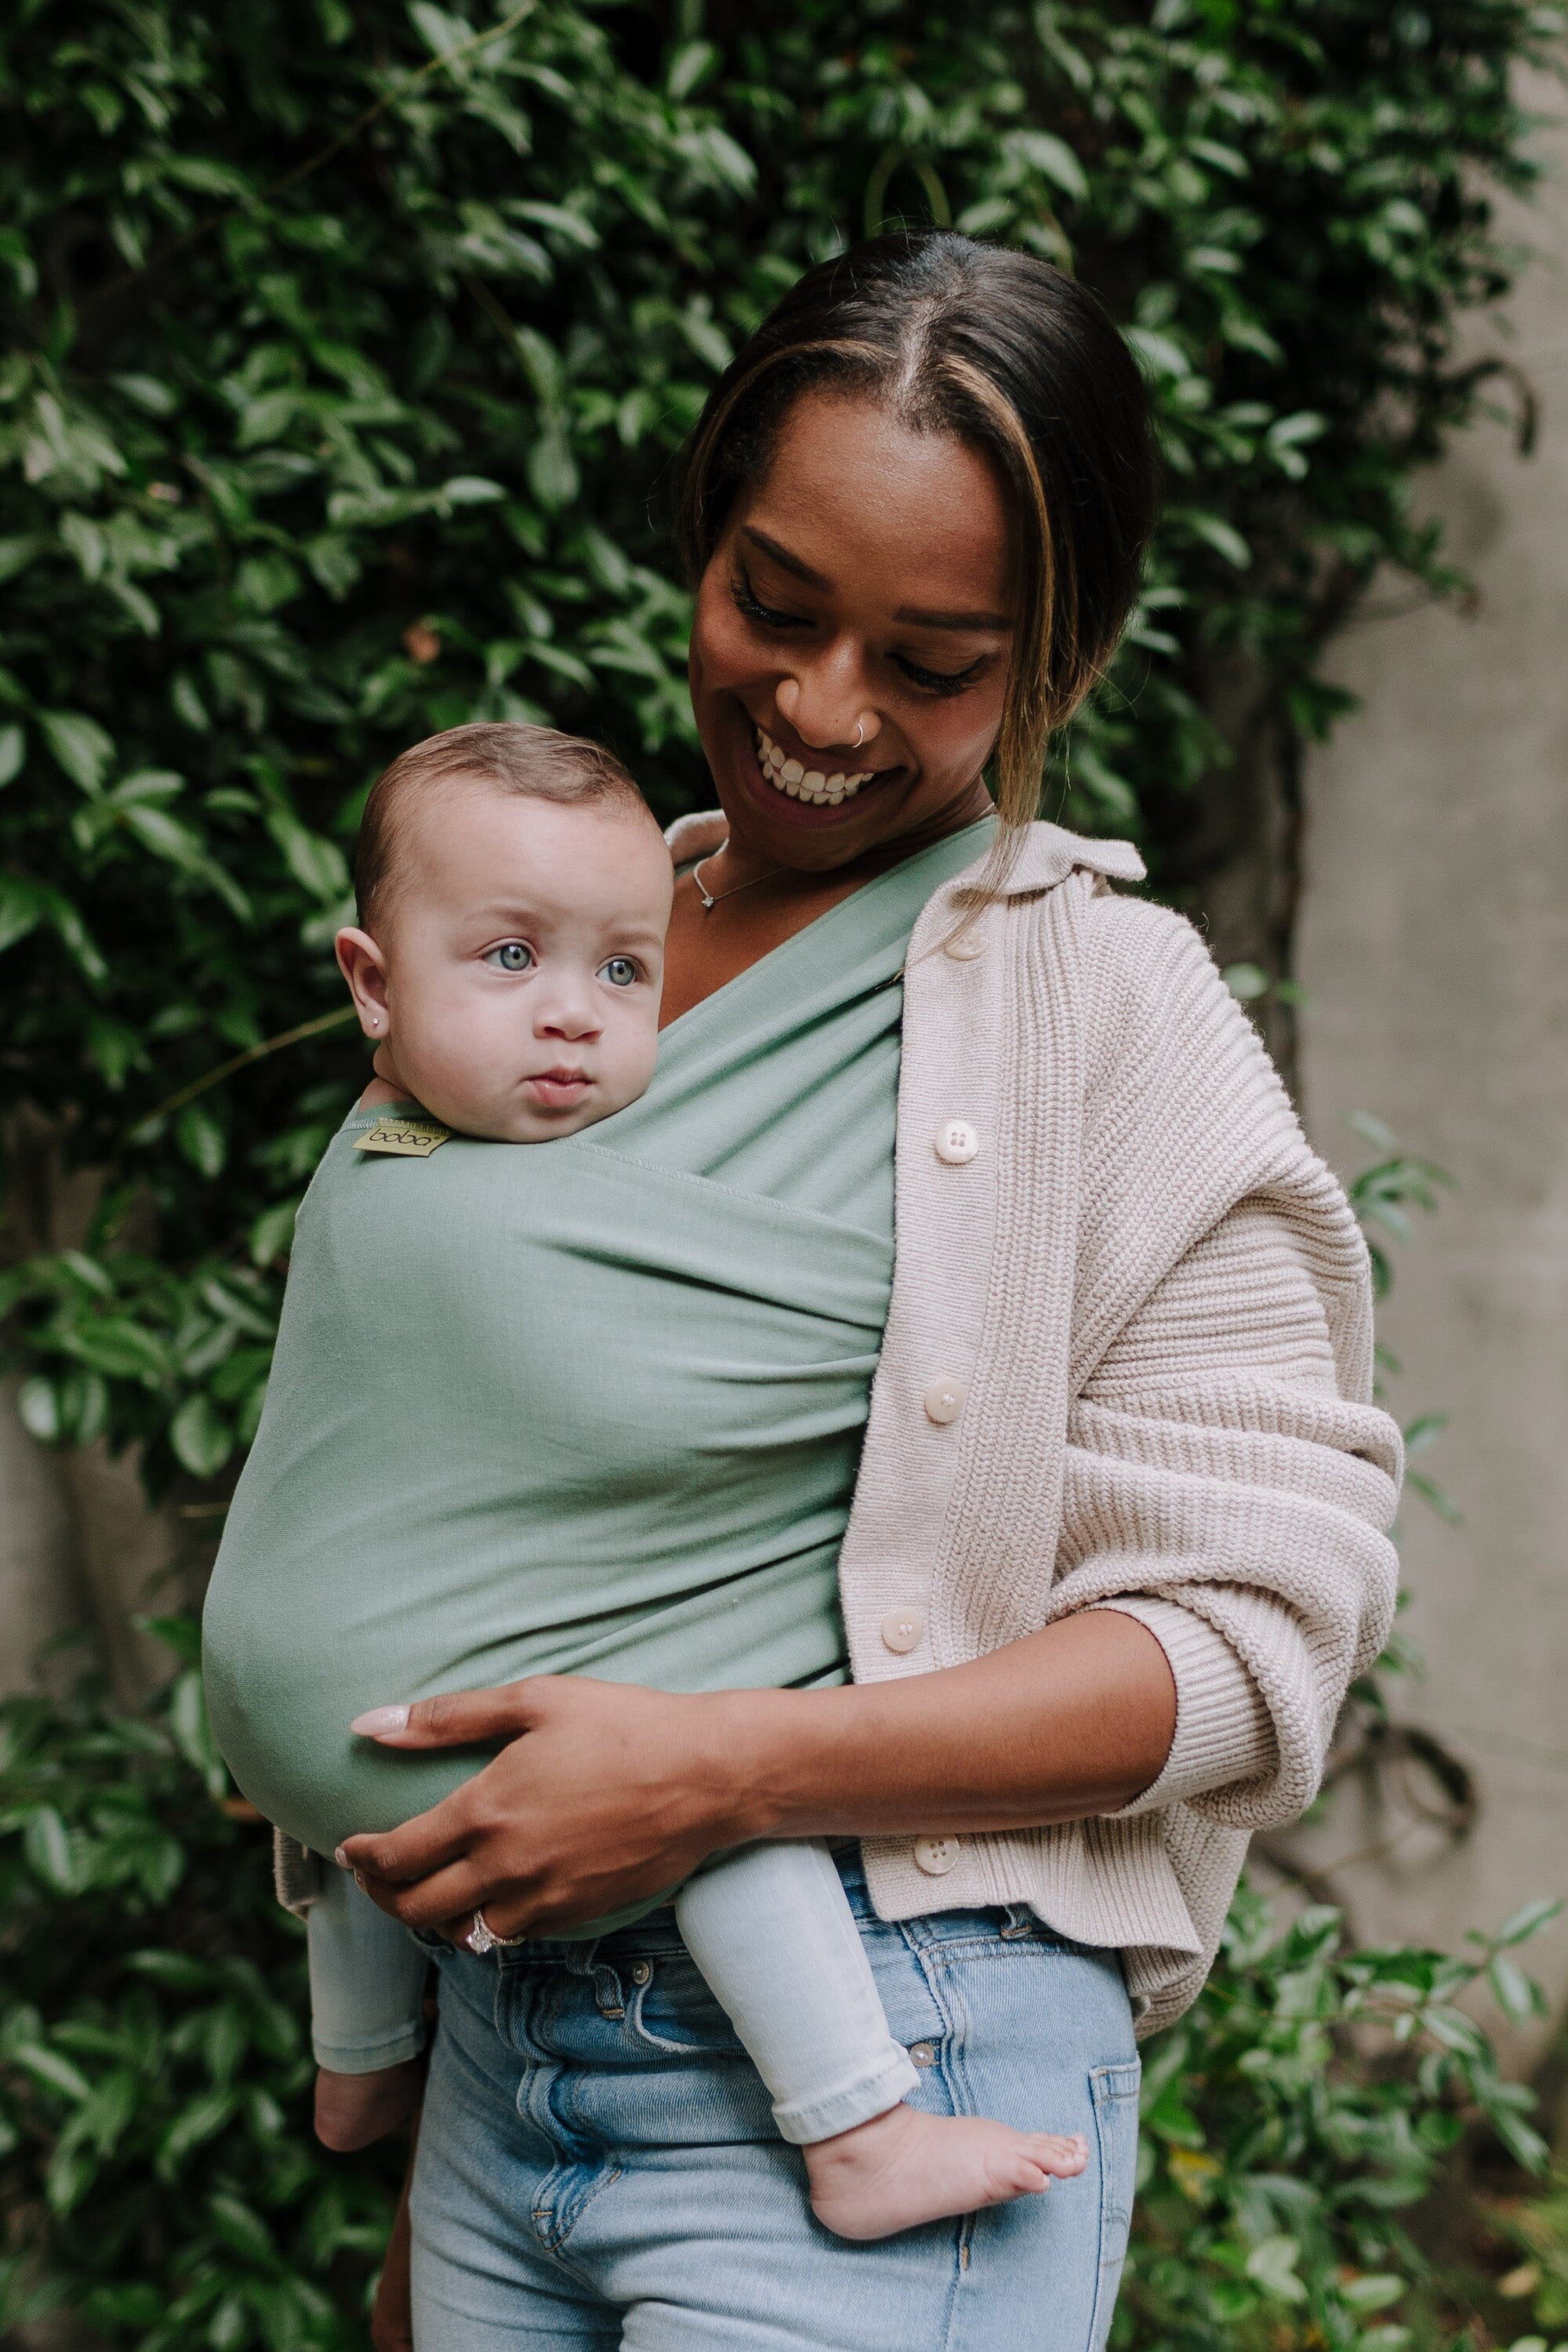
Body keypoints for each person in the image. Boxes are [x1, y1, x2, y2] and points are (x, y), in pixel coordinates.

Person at [298, 230, 1402, 2350]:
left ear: (1054, 663)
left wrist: (730, 1775)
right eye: (774, 609)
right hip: (506, 2074)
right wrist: (455, 2087)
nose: (819, 711)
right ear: (703, 538)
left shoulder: (1110, 1011)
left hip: (898, 2056)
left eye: (933, 659)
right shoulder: (563, 955)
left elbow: (1259, 1656)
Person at [201, 716, 1091, 2245]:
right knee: (577, 1809)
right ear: (370, 985)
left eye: (623, 972)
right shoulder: (396, 1146)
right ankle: (826, 2126)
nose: (572, 1018)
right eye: (507, 961)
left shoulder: (489, 1142)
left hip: (412, 1749)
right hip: (383, 1764)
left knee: (572, 1819)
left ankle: (394, 2074)